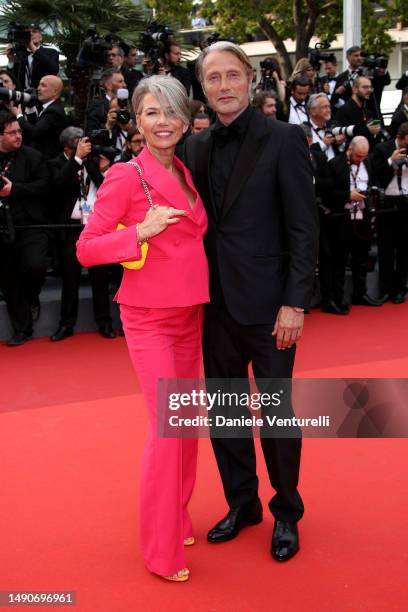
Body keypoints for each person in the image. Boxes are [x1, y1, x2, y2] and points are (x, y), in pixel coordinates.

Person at [184, 42, 318, 562]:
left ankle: (287, 510)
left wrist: (295, 302)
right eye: (213, 78)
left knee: (278, 416)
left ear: (249, 80)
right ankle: (243, 503)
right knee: (225, 413)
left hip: (270, 308)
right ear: (203, 87)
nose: (223, 86)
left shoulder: (285, 139)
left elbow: (304, 228)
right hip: (213, 305)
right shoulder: (196, 148)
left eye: (231, 76)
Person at [77, 76, 209, 581]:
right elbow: (87, 247)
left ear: (184, 119)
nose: (163, 121)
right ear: (137, 120)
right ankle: (160, 550)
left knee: (187, 426)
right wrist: (139, 232)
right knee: (167, 430)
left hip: (190, 313)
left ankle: (176, 514)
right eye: (152, 112)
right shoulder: (126, 177)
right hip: (149, 318)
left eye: (172, 112)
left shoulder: (183, 169)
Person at [0, 111, 50, 346]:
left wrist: (15, 189)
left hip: (31, 224)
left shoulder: (33, 156)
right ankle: (22, 329)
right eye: (12, 132)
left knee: (36, 266)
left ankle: (31, 299)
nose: (18, 135)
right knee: (8, 278)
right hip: (2, 227)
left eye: (19, 131)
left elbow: (45, 186)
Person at [327, 136, 382, 310]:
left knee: (361, 257)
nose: (361, 159)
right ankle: (338, 298)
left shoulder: (368, 163)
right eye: (358, 156)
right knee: (340, 260)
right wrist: (348, 195)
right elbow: (328, 192)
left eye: (364, 156)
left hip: (363, 217)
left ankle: (360, 293)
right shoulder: (335, 164)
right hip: (342, 218)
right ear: (349, 150)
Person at [371, 121, 408, 304]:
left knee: (404, 249)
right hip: (388, 204)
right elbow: (375, 173)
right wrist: (390, 161)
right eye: (405, 144)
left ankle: (401, 288)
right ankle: (385, 289)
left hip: (406, 203)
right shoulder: (382, 149)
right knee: (386, 249)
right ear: (399, 138)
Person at [11, 75, 67, 159]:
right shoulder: (47, 107)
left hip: (46, 161)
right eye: (39, 85)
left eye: (43, 85)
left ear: (54, 91)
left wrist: (19, 115)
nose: (38, 88)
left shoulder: (54, 111)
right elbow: (36, 126)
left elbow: (34, 132)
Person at [85, 69, 127, 133]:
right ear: (109, 85)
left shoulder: (128, 105)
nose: (125, 85)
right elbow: (91, 134)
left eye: (124, 81)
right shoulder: (97, 107)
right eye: (120, 82)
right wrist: (107, 126)